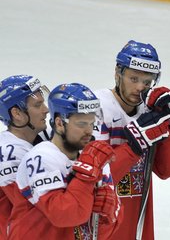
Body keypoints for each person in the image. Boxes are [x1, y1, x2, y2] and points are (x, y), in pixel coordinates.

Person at [94, 40, 170, 239]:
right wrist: (136, 144)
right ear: (117, 73)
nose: (139, 88)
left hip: (137, 221)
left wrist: (167, 123)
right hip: (99, 223)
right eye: (133, 78)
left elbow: (168, 170)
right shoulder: (97, 107)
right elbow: (97, 176)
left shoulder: (148, 110)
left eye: (147, 82)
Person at [11, 83, 121, 239]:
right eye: (82, 124)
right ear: (59, 123)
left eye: (92, 123)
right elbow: (64, 216)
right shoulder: (40, 158)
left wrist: (107, 217)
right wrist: (87, 171)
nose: (89, 131)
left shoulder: (96, 159)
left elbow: (101, 232)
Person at [0, 75, 49, 239]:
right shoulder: (8, 153)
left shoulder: (38, 136)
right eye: (37, 105)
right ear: (17, 113)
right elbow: (35, 205)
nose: (46, 109)